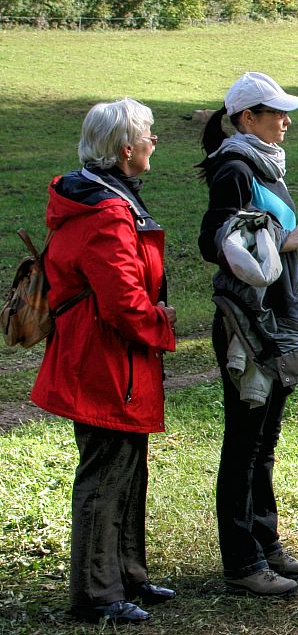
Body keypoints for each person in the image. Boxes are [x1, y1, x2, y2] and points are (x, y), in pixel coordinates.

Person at [30, 98, 177, 623]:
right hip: (104, 360)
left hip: (106, 357)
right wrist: (163, 323)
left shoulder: (101, 197)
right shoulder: (106, 210)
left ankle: (128, 578)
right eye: (150, 135)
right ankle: (96, 595)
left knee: (127, 467)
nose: (154, 142)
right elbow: (121, 302)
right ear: (125, 149)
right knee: (106, 473)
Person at [197, 72, 298, 597]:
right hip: (248, 324)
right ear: (248, 117)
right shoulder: (236, 168)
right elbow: (213, 241)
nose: (286, 121)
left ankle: (266, 547)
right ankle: (243, 562)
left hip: (275, 319)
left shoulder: (264, 166)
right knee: (245, 444)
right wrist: (283, 240)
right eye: (276, 113)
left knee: (263, 442)